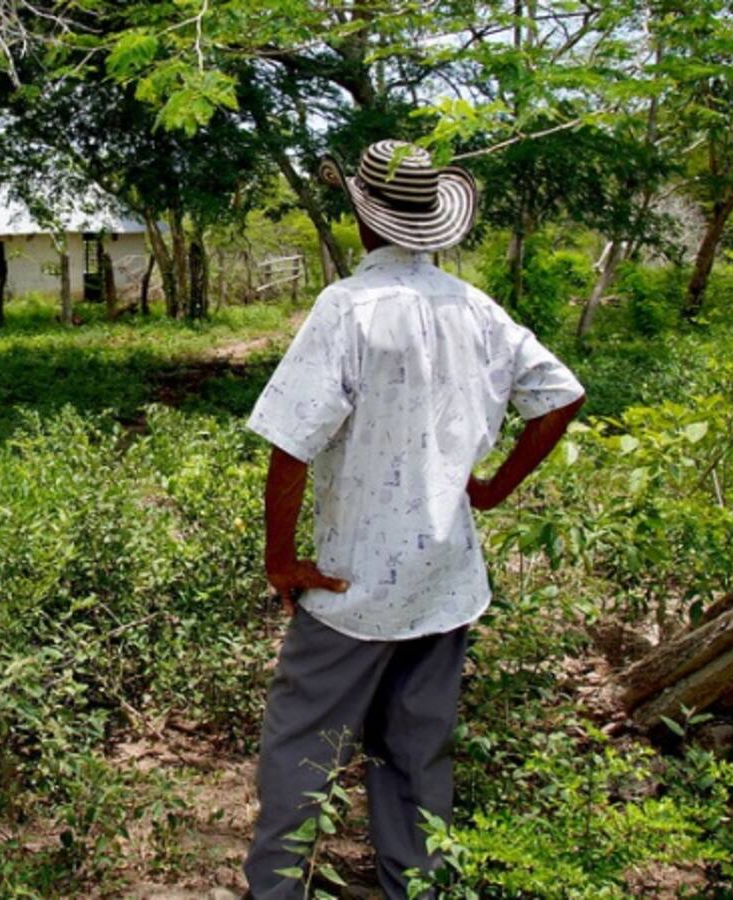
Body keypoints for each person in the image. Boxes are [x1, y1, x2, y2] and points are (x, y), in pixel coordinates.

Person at [242, 141, 586, 899]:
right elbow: (561, 396)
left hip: (351, 585)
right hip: (442, 581)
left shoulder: (348, 309)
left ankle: (277, 892)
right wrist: (492, 490)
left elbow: (291, 446)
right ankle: (417, 888)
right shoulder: (474, 309)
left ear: (363, 220)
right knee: (415, 755)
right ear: (429, 221)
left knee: (301, 751)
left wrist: (281, 560)